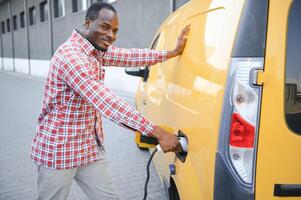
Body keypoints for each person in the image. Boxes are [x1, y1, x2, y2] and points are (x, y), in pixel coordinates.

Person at [31, 2, 190, 200]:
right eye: (105, 27)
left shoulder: (95, 50)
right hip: (59, 151)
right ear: (88, 23)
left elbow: (131, 56)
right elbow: (109, 104)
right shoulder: (71, 58)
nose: (111, 36)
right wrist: (160, 134)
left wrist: (172, 53)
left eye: (115, 30)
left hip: (87, 149)